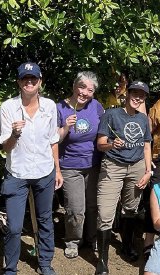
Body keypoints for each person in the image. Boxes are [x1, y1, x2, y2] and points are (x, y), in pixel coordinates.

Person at [0, 62, 63, 275]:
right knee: (14, 226)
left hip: (45, 171)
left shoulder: (50, 106)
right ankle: (10, 271)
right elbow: (6, 147)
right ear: (19, 82)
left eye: (33, 79)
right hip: (17, 173)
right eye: (25, 79)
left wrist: (58, 169)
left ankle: (45, 263)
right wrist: (15, 133)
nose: (29, 82)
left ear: (40, 81)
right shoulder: (8, 108)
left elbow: (53, 139)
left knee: (45, 219)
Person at [94, 81, 153, 275]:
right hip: (113, 165)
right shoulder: (111, 114)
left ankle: (127, 246)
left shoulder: (143, 119)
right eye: (134, 93)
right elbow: (100, 143)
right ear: (126, 95)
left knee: (131, 208)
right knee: (105, 211)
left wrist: (147, 171)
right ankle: (102, 260)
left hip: (136, 167)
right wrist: (111, 144)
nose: (137, 98)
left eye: (141, 95)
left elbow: (146, 146)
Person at [56, 71, 104, 259]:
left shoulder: (96, 107)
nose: (84, 93)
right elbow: (55, 140)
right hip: (70, 165)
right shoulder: (60, 107)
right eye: (82, 87)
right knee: (75, 208)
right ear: (74, 86)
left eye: (89, 90)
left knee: (93, 206)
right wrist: (66, 127)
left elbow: (104, 131)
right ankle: (73, 240)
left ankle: (92, 239)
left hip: (93, 164)